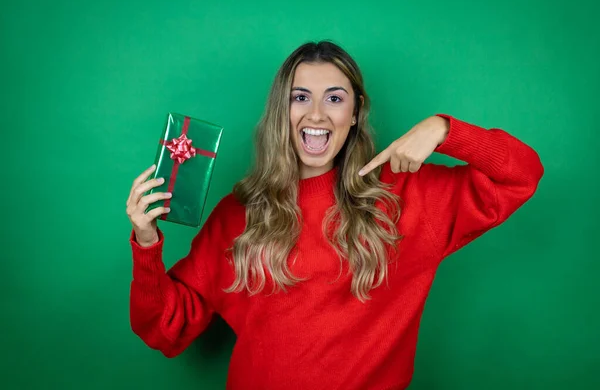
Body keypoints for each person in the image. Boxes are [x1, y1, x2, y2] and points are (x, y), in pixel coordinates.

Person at [126, 40, 544, 390]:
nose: (317, 115)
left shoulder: (407, 195)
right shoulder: (238, 214)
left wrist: (444, 129)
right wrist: (146, 244)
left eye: (335, 98)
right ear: (281, 112)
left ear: (355, 111)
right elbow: (166, 328)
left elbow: (522, 174)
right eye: (301, 97)